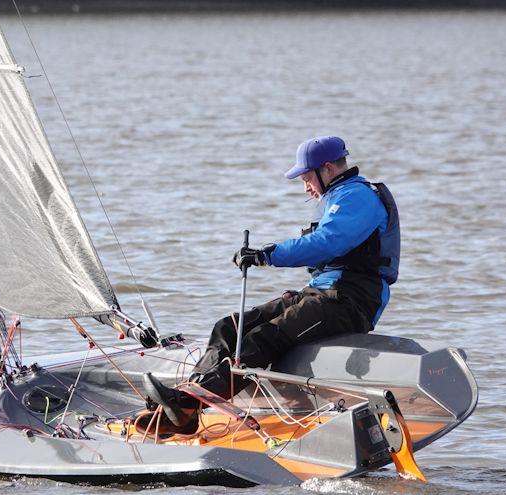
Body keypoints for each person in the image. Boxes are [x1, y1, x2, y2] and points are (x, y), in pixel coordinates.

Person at [143, 135, 400, 432]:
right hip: (323, 293)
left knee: (257, 340)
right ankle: (185, 404)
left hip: (350, 302)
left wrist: (268, 255)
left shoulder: (357, 197)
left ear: (328, 169)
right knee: (230, 327)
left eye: (306, 178)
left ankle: (188, 406)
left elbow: (329, 242)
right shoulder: (338, 197)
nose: (306, 187)